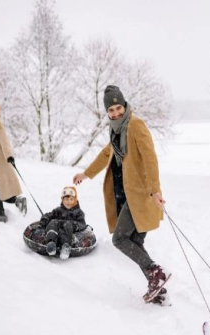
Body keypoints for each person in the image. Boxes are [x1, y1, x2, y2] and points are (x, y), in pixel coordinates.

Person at [73, 85, 169, 304]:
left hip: (140, 195)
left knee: (119, 239)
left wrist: (155, 190)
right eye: (111, 110)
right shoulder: (117, 131)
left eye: (118, 108)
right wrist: (86, 174)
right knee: (134, 241)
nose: (115, 113)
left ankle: (155, 272)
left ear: (124, 106)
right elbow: (105, 154)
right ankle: (158, 289)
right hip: (126, 196)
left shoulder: (135, 125)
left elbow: (150, 158)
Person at [37, 186, 87, 260]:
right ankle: (51, 243)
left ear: (75, 200)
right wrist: (44, 220)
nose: (68, 202)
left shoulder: (79, 212)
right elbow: (49, 215)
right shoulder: (58, 210)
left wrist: (75, 225)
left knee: (67, 224)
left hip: (68, 231)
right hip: (57, 229)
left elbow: (82, 223)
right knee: (53, 221)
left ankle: (66, 247)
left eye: (71, 199)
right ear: (62, 200)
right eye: (66, 199)